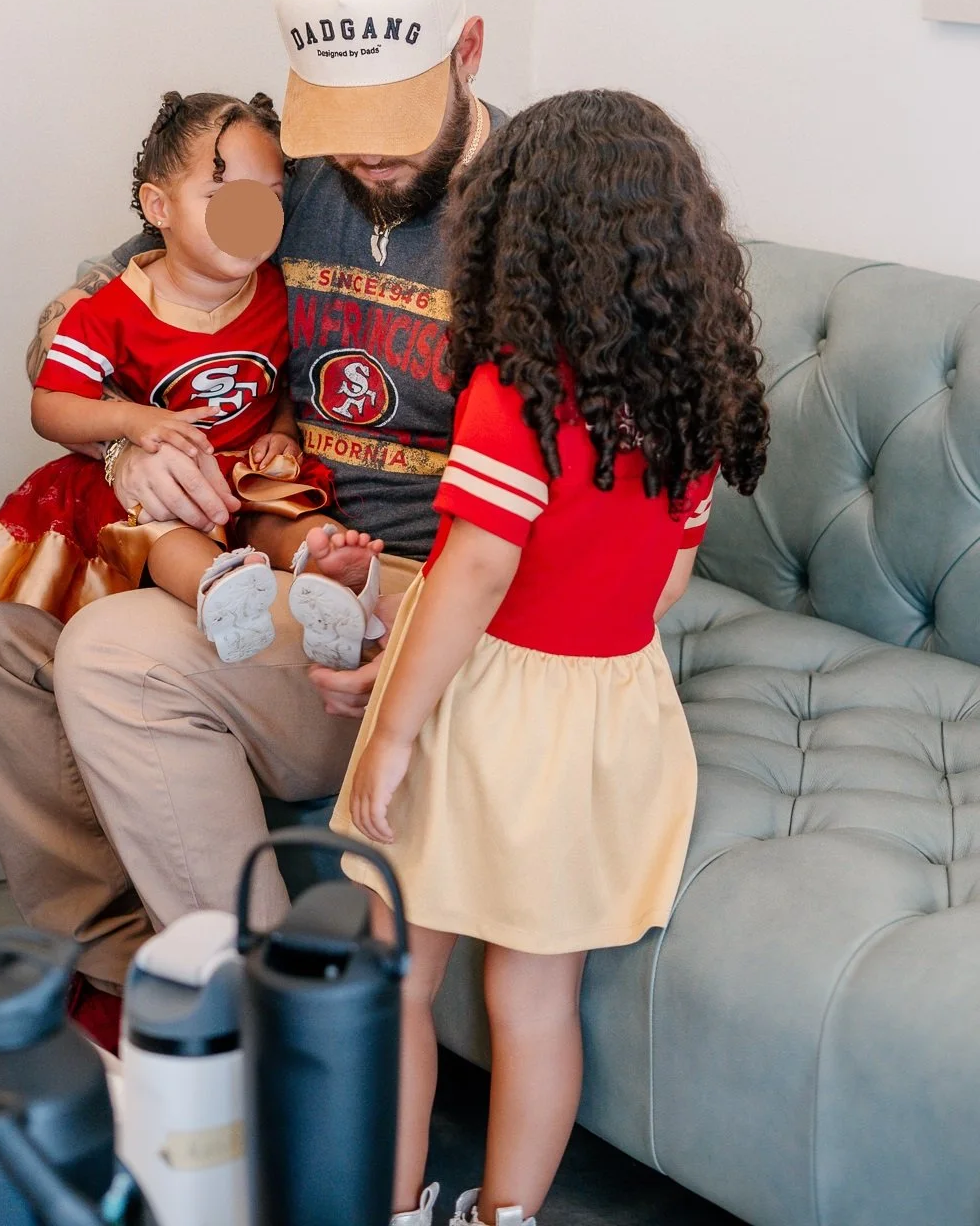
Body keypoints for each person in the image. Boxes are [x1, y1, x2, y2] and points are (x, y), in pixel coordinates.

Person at [0, 0, 500, 1049]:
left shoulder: (531, 214)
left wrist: (426, 625)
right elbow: (96, 307)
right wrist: (125, 438)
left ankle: (265, 1039)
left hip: (424, 591)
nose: (364, 154)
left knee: (115, 653)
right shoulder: (292, 173)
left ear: (469, 51)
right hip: (282, 541)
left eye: (392, 115)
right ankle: (120, 959)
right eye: (340, 120)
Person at [332, 90, 770, 1226]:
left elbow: (472, 577)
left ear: (518, 232)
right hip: (608, 712)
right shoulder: (689, 397)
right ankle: (508, 1213)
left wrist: (394, 728)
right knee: (537, 1000)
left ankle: (390, 1203)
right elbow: (666, 581)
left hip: (491, 713)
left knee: (400, 980)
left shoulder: (516, 388)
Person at [0, 86, 377, 661]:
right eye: (222, 196)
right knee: (165, 532)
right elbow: (49, 404)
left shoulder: (277, 292)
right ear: (159, 208)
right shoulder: (111, 310)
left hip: (244, 471)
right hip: (163, 484)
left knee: (290, 512)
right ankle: (224, 591)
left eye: (269, 197)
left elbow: (280, 383)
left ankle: (328, 570)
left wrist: (284, 429)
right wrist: (130, 421)